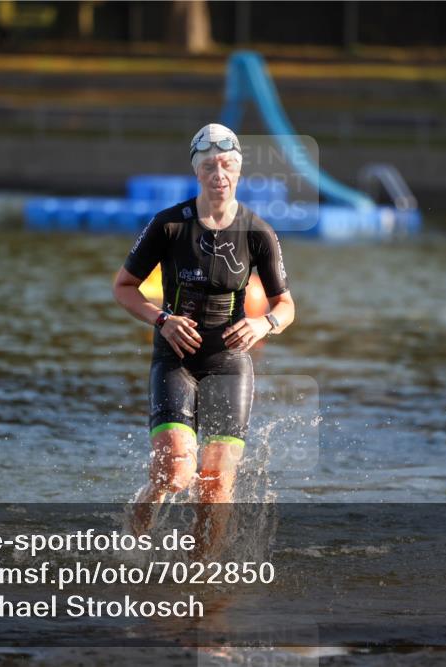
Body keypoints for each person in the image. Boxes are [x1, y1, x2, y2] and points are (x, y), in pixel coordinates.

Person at [112, 123, 296, 544]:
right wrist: (162, 320)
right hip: (175, 358)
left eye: (228, 165)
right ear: (197, 172)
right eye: (210, 166)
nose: (220, 174)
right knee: (175, 473)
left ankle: (204, 584)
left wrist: (263, 322)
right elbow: (123, 287)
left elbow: (286, 306)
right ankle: (129, 547)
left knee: (215, 487)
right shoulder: (169, 225)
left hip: (228, 364)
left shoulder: (258, 232)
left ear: (239, 170)